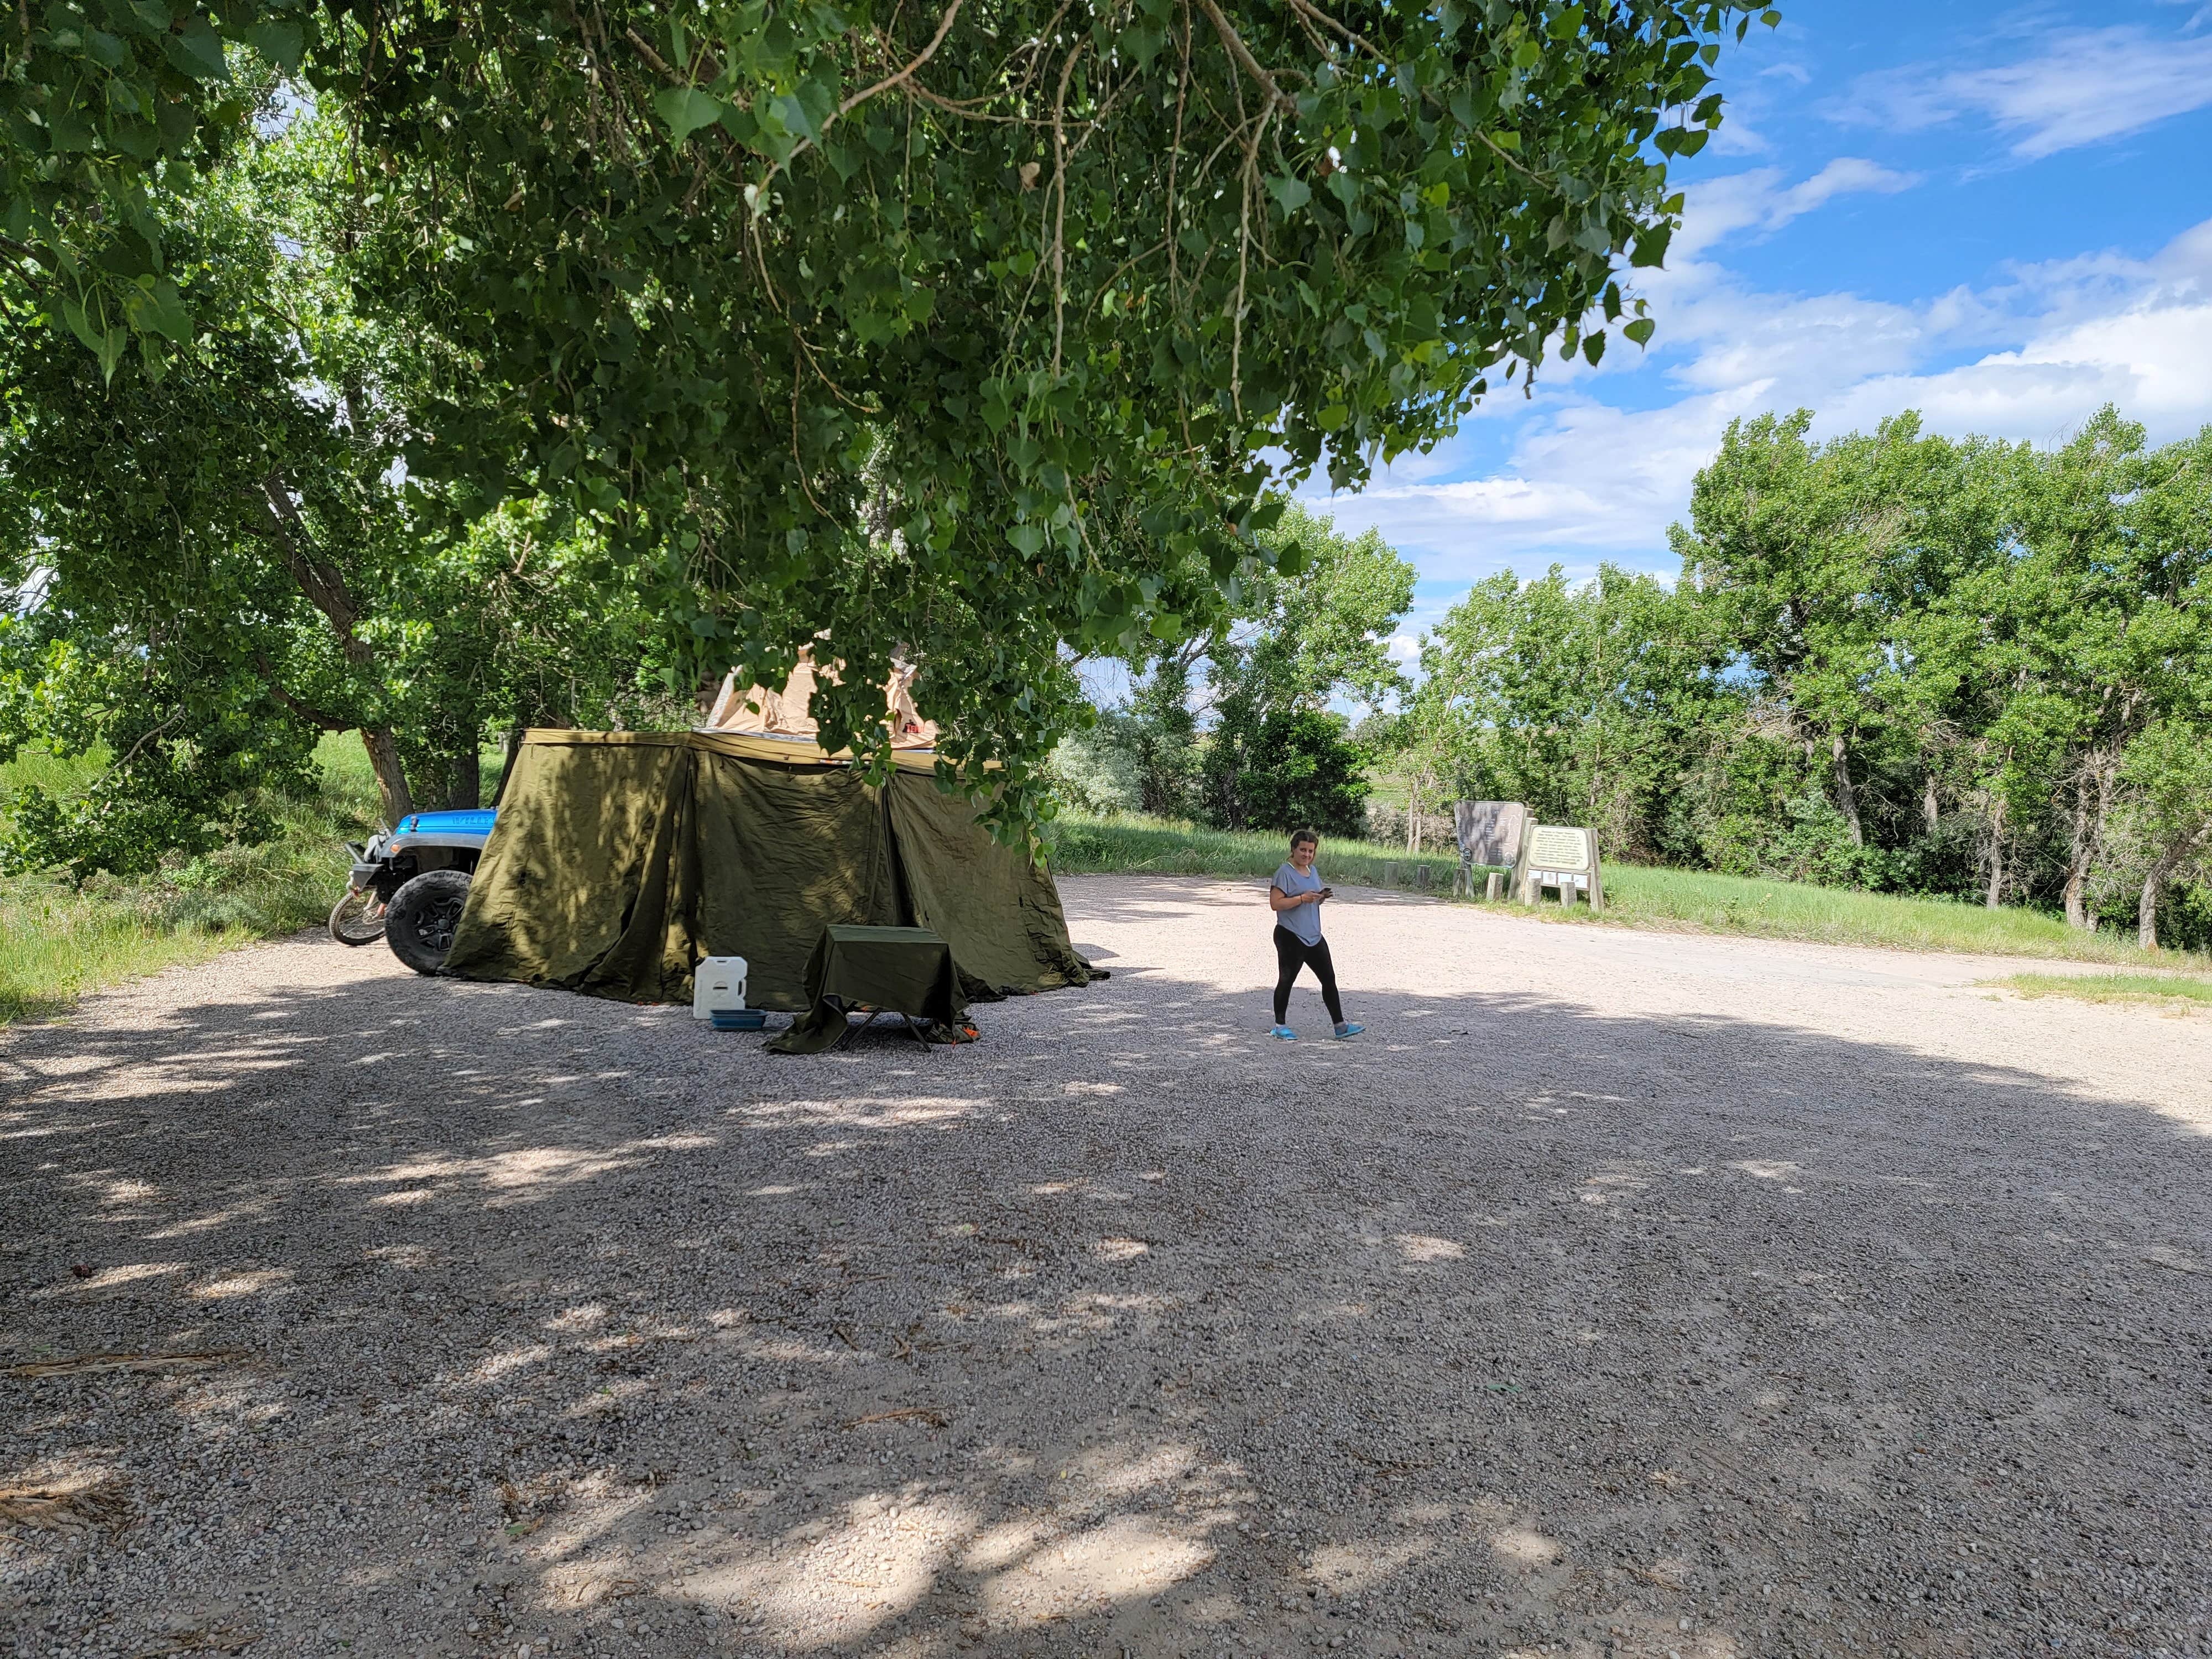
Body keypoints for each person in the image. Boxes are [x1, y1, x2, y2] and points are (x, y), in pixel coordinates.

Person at [1267, 828, 1362, 1041]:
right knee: (1287, 979)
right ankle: (1280, 1026)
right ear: (1293, 850)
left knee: (1329, 978)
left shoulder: (1313, 871)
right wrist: (1302, 898)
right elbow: (1276, 904)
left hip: (1313, 935)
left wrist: (1321, 896)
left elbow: (1312, 898)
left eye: (1311, 851)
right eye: (1303, 850)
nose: (1307, 855)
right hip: (1290, 934)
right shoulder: (1284, 872)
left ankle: (1341, 1026)